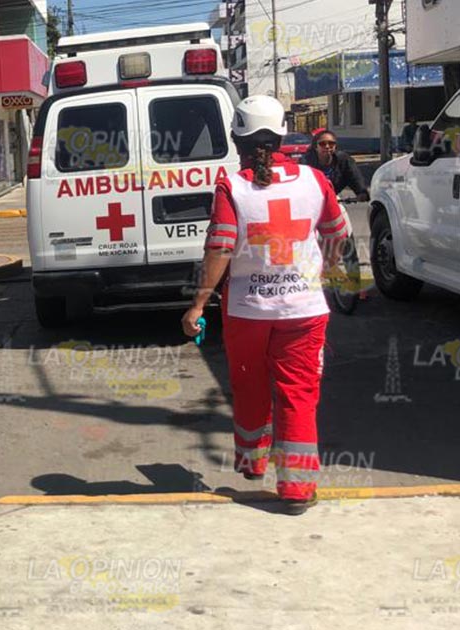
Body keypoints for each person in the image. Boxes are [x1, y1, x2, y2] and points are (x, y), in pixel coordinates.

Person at [182, 95, 350, 515]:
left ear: (237, 139)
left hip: (246, 312)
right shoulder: (314, 180)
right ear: (280, 135)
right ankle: (295, 491)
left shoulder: (232, 186)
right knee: (297, 395)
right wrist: (325, 269)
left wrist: (199, 303)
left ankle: (253, 462)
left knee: (250, 384)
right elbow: (335, 231)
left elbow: (219, 248)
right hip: (304, 312)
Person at [298, 129, 369, 202]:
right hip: (311, 201)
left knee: (342, 213)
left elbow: (354, 177)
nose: (327, 146)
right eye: (322, 144)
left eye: (331, 143)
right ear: (316, 147)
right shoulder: (306, 162)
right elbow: (299, 185)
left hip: (333, 199)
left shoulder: (343, 160)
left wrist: (361, 193)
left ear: (335, 146)